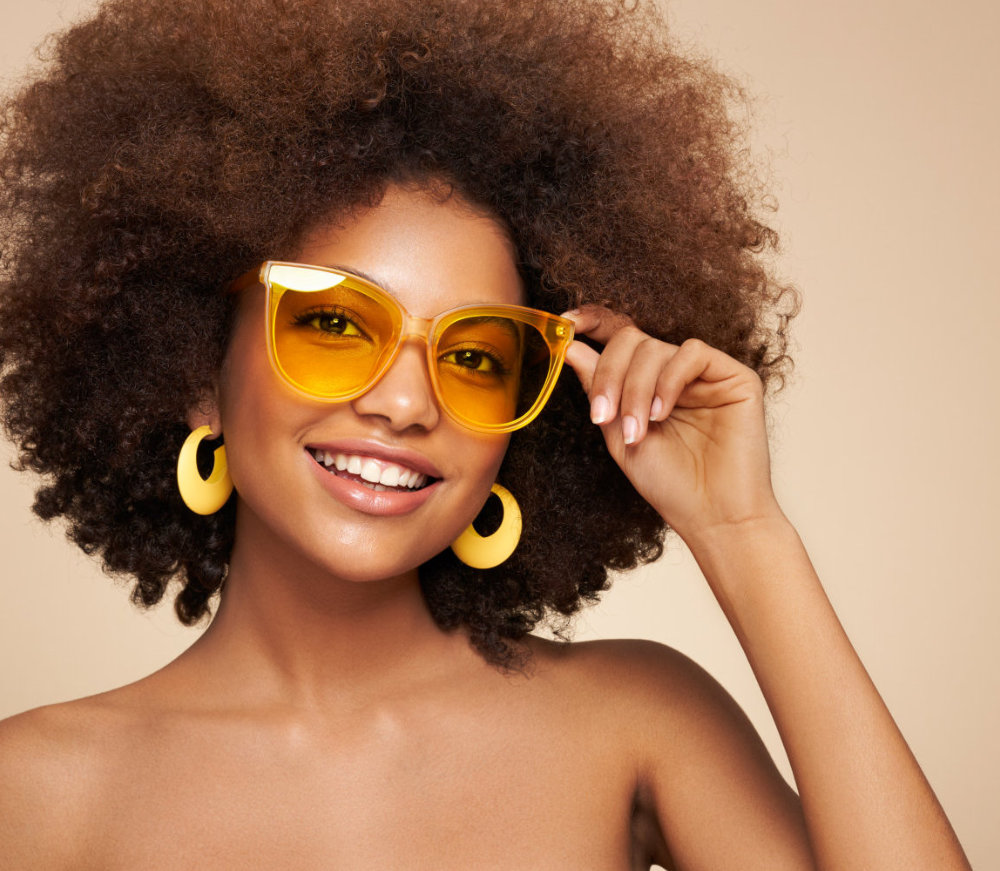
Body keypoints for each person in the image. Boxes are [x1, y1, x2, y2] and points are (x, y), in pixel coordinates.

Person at [0, 0, 972, 867]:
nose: (406, 404)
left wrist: (742, 531)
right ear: (195, 372)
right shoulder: (35, 792)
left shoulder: (634, 723)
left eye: (475, 355)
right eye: (335, 324)